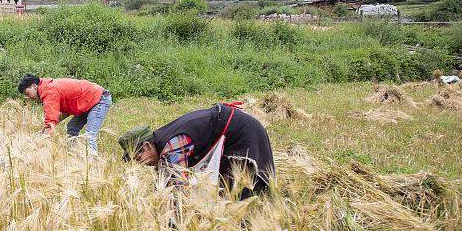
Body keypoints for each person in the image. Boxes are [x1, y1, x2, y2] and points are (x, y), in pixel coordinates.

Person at [119, 103, 274, 197]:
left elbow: (176, 188)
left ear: (146, 146)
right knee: (226, 195)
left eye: (138, 158)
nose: (141, 164)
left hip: (242, 136)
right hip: (236, 133)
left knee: (241, 195)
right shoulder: (165, 140)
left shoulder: (172, 149)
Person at [17, 74, 113, 154]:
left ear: (34, 86)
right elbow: (62, 114)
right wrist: (45, 129)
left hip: (99, 99)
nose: (28, 97)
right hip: (87, 102)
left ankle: (94, 166)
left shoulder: (48, 92)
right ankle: (74, 155)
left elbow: (51, 121)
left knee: (89, 135)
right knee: (72, 127)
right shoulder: (47, 87)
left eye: (27, 93)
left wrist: (40, 142)